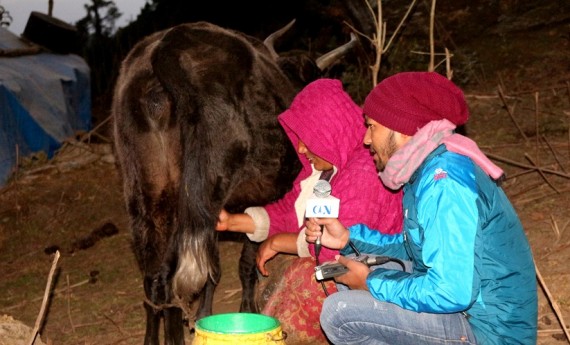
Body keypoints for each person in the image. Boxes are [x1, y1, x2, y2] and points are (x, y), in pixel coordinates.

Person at [305, 72, 538, 344]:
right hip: (472, 313)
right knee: (353, 269)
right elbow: (417, 247)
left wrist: (371, 282)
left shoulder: (445, 181)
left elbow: (451, 291)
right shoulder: (428, 170)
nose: (367, 140)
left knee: (340, 313)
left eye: (372, 126)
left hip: (487, 332)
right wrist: (347, 238)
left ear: (401, 128)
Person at [216, 78, 403, 343]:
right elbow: (289, 213)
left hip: (377, 272)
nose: (301, 148)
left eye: (307, 139)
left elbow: (335, 250)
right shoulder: (327, 170)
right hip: (345, 265)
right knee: (283, 269)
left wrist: (281, 241)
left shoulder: (364, 170)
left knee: (302, 277)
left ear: (328, 131)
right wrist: (231, 222)